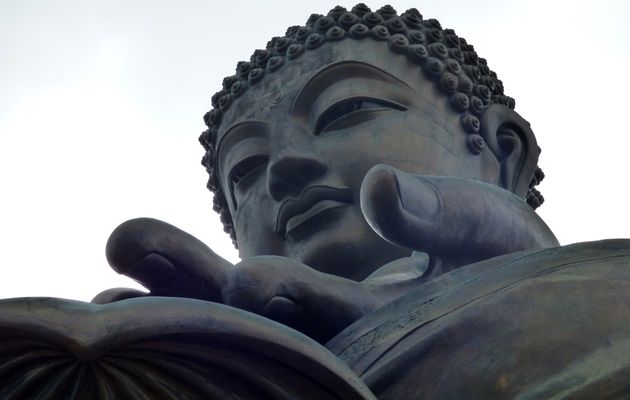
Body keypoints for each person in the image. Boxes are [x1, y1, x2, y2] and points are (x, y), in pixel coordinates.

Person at [94, 5, 630, 398]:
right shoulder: (249, 369)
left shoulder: (602, 290)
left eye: (346, 110)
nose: (283, 169)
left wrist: (520, 297)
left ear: (500, 151)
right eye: (246, 170)